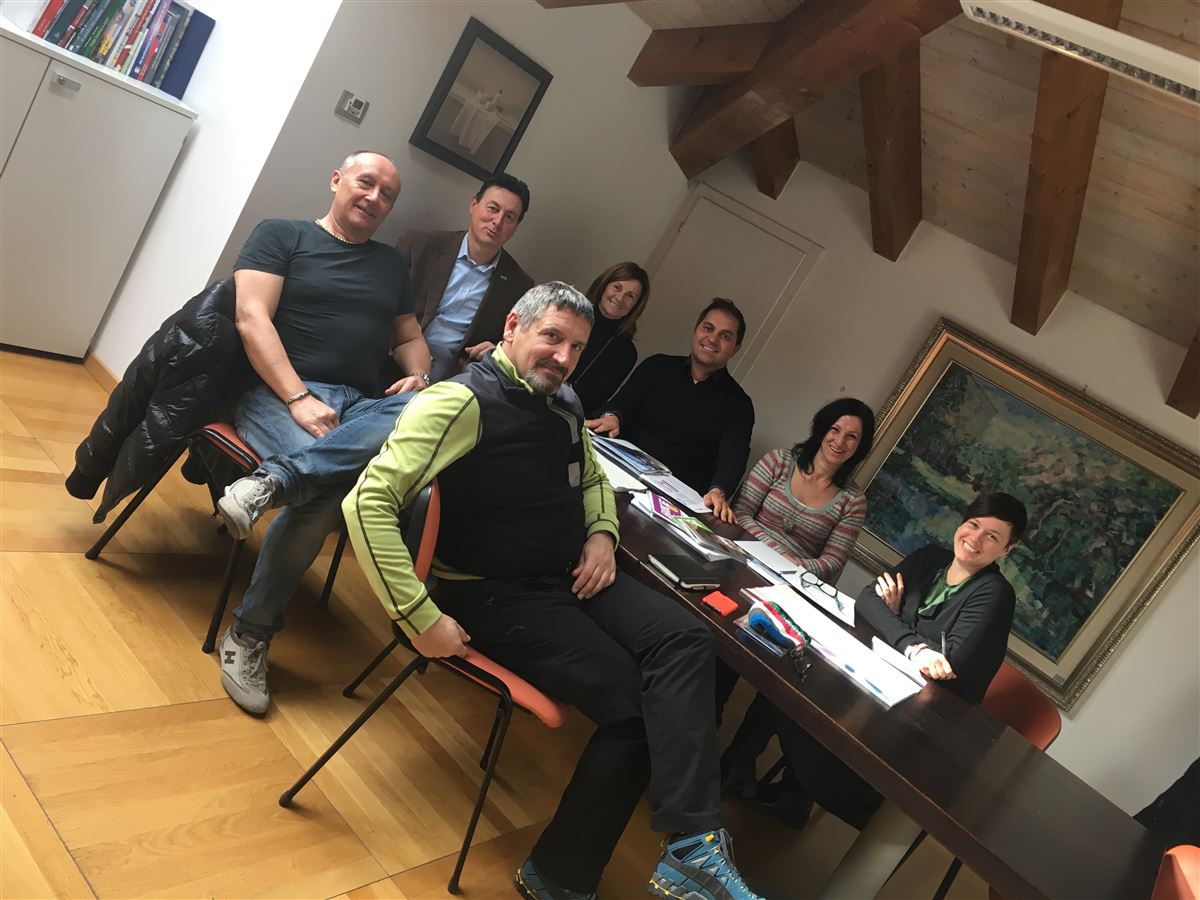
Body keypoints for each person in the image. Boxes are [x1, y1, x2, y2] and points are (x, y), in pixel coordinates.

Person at [345, 283, 761, 900]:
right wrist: (417, 615)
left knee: (687, 637)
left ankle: (693, 844)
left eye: (577, 347)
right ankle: (559, 879)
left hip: (567, 573)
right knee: (636, 707)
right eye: (552, 337)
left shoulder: (564, 402)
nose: (564, 357)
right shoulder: (459, 402)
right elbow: (368, 502)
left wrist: (601, 533)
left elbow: (592, 478)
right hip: (492, 594)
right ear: (513, 326)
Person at [213, 150, 432, 715]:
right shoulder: (281, 235)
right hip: (276, 394)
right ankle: (249, 633)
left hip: (360, 405)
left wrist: (418, 373)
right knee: (328, 491)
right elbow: (250, 318)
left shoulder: (390, 265)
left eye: (387, 194)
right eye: (366, 183)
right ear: (337, 180)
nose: (374, 198)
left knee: (427, 404)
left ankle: (271, 484)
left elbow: (409, 336)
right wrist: (298, 397)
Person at [760, 492, 1028, 830]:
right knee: (790, 675)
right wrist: (915, 644)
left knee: (813, 703)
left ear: (1006, 550)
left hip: (921, 719)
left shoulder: (995, 594)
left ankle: (805, 792)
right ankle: (760, 779)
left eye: (992, 536)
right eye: (973, 525)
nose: (975, 539)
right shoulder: (931, 558)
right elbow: (867, 600)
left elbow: (945, 664)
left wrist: (895, 620)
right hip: (882, 684)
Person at [720, 399, 876, 811]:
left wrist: (792, 565)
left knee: (790, 667)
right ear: (821, 429)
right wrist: (778, 551)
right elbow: (740, 512)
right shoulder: (778, 462)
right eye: (835, 430)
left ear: (860, 447)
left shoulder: (852, 502)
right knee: (721, 640)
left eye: (852, 437)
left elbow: (832, 563)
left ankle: (738, 761)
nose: (840, 441)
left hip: (791, 591)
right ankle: (705, 722)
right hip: (741, 565)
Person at [586, 298, 754, 524]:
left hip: (671, 502)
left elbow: (733, 459)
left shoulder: (740, 405)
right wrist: (611, 416)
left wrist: (719, 490)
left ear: (736, 348)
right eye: (708, 328)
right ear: (696, 330)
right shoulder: (657, 365)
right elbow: (620, 404)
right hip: (620, 474)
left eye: (725, 336)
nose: (712, 339)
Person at [396, 172, 533, 384]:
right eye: (493, 208)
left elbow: (513, 344)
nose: (497, 221)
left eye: (509, 217)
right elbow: (381, 300)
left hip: (451, 378)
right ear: (473, 205)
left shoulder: (519, 285)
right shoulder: (419, 245)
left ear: (515, 227)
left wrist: (497, 350)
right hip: (395, 354)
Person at [568, 261, 650, 415]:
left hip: (564, 414)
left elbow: (593, 401)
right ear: (604, 286)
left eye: (630, 296)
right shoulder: (567, 315)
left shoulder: (626, 353)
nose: (620, 298)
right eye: (617, 287)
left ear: (636, 305)